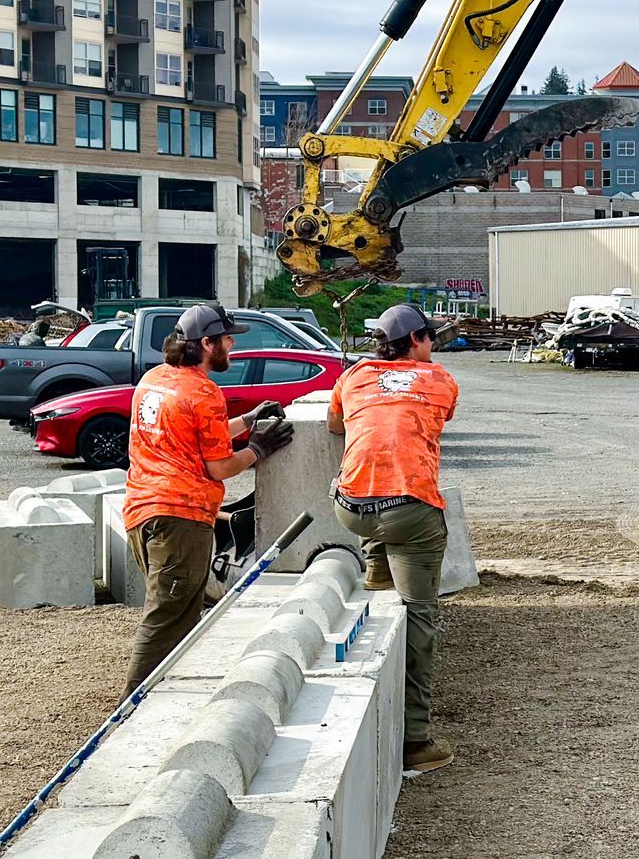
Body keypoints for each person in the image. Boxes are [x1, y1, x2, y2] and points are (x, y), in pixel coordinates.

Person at [122, 303, 294, 690]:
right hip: (180, 519)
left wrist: (248, 420)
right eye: (227, 339)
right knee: (168, 616)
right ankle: (129, 712)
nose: (232, 344)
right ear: (206, 343)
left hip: (142, 511)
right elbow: (219, 467)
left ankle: (162, 699)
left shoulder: (154, 381)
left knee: (177, 613)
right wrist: (258, 449)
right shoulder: (204, 392)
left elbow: (193, 437)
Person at [328, 303, 461, 774]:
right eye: (430, 338)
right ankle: (414, 742)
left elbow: (336, 427)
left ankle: (376, 567)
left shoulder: (353, 376)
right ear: (419, 340)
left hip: (351, 511)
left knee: (367, 482)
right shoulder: (440, 380)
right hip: (408, 512)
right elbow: (426, 425)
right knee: (421, 619)